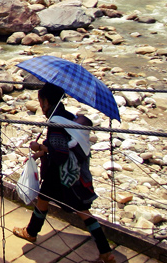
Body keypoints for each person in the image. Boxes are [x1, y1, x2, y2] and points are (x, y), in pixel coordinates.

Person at [13, 83, 113, 263]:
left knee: (81, 210)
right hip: (67, 174)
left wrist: (40, 147)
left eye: (40, 101)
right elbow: (64, 145)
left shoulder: (56, 123)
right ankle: (31, 232)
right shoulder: (67, 116)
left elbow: (59, 153)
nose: (40, 106)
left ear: (46, 101)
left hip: (61, 174)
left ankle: (105, 251)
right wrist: (42, 152)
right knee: (46, 200)